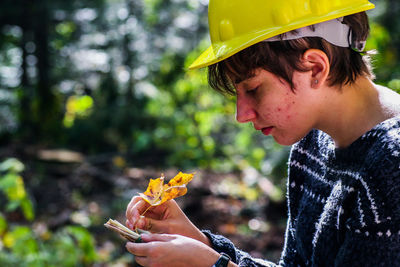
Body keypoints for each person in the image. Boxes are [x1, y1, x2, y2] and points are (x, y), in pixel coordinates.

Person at [125, 0, 400, 266]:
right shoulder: (311, 142)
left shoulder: (392, 167)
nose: (241, 114)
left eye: (253, 89)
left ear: (315, 68)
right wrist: (200, 244)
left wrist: (214, 266)